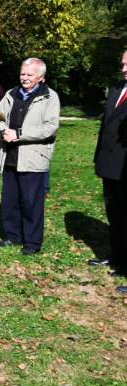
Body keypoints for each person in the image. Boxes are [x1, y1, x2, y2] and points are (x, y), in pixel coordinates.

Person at [0, 57, 60, 255]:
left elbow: (50, 128)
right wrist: (3, 131)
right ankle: (13, 236)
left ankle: (32, 243)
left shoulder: (50, 97)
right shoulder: (11, 94)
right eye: (22, 73)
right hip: (10, 156)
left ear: (41, 77)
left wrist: (19, 135)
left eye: (30, 75)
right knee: (10, 201)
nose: (25, 78)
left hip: (33, 158)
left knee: (31, 203)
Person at [90, 49, 127, 280]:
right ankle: (117, 257)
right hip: (110, 164)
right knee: (114, 214)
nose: (123, 69)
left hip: (126, 165)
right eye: (122, 63)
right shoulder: (116, 88)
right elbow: (106, 127)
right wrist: (98, 158)